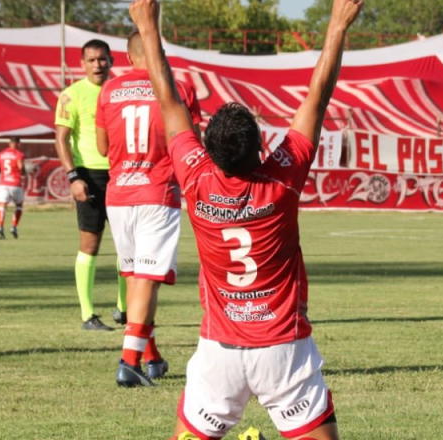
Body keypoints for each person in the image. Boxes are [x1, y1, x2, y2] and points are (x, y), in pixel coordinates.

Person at [128, 0, 362, 438]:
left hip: (219, 351)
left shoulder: (195, 177)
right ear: (260, 149)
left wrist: (146, 24)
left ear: (209, 150)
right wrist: (336, 25)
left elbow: (167, 97)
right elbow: (317, 96)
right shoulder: (282, 178)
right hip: (283, 350)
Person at [96, 31, 203, 386]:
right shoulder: (178, 88)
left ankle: (150, 355)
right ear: (160, 54)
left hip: (119, 194)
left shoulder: (109, 90)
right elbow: (191, 142)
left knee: (136, 278)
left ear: (127, 59)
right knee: (146, 278)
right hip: (157, 191)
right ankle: (129, 362)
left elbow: (100, 146)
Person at [54, 39, 128, 331]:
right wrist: (74, 177)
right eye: (92, 60)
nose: (98, 65)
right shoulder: (71, 95)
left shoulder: (122, 90)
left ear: (111, 60)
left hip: (123, 174)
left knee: (127, 246)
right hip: (89, 176)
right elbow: (61, 138)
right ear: (82, 63)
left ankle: (124, 309)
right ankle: (88, 315)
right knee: (90, 244)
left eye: (103, 59)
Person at [0, 137, 26, 240]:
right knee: (19, 205)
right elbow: (20, 167)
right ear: (18, 144)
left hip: (3, 183)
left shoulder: (1, 154)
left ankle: (0, 227)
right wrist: (24, 172)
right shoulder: (18, 154)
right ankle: (13, 226)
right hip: (15, 183)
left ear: (9, 143)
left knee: (2, 205)